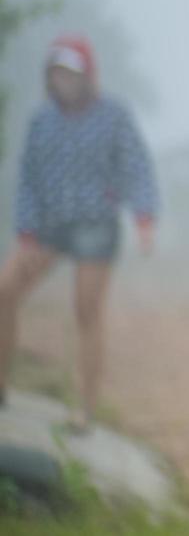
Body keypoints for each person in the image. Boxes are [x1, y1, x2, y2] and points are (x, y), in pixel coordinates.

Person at [0, 34, 157, 431]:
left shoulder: (113, 115)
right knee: (4, 292)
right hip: (49, 226)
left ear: (87, 76)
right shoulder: (42, 120)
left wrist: (144, 217)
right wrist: (27, 233)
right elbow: (28, 179)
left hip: (95, 224)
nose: (62, 81)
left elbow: (136, 164)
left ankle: (84, 408)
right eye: (56, 74)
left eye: (70, 74)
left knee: (86, 309)